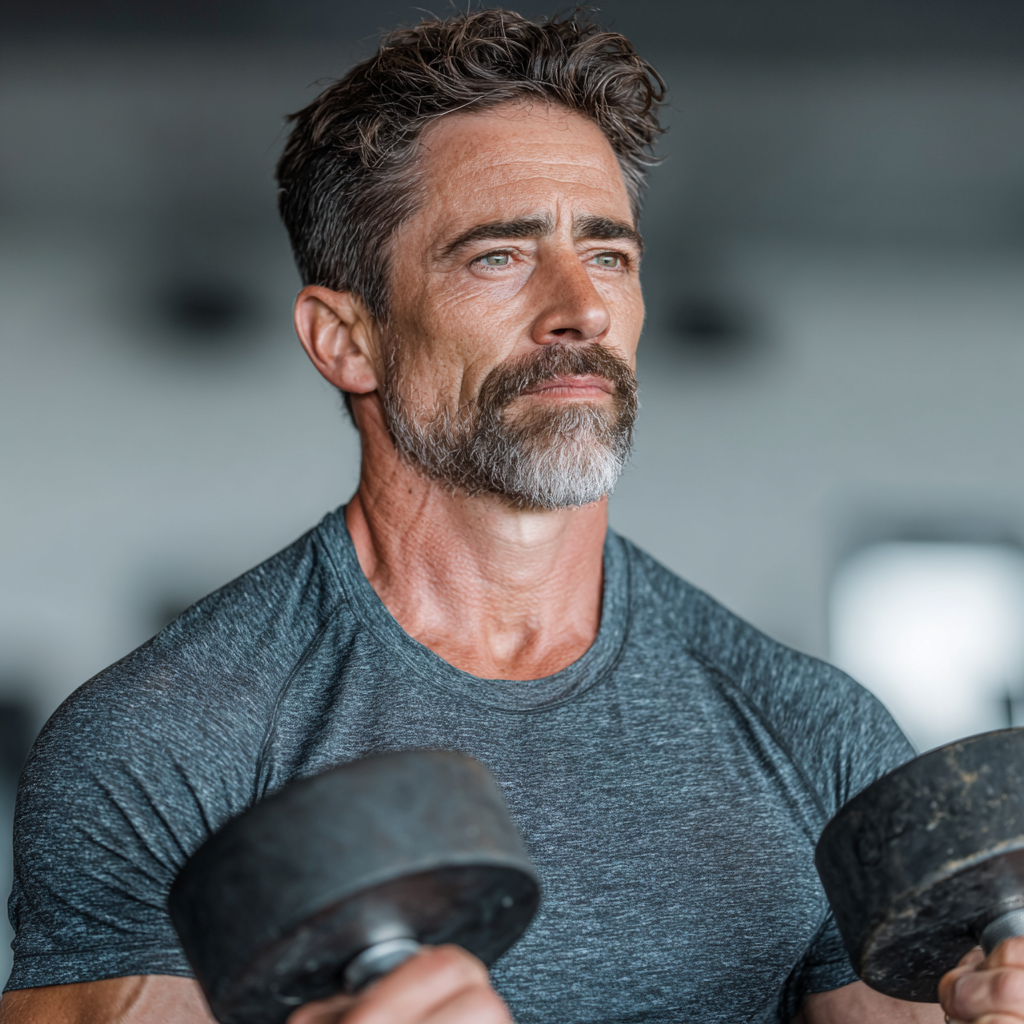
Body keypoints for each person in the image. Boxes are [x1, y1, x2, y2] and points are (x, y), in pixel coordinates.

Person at [2, 10, 1022, 1024]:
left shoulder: (815, 732)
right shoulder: (163, 742)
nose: (578, 305)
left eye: (609, 255)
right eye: (498, 257)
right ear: (346, 339)